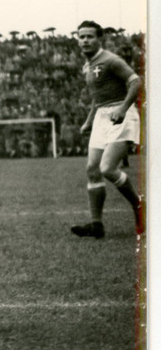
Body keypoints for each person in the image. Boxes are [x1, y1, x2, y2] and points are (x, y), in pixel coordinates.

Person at [69, 20, 143, 239]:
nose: (85, 40)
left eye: (90, 36)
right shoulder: (87, 65)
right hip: (102, 116)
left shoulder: (111, 60)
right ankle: (96, 224)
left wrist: (122, 108)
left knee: (107, 168)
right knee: (92, 168)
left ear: (99, 38)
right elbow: (97, 97)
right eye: (81, 36)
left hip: (122, 115)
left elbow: (136, 82)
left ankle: (140, 206)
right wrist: (90, 120)